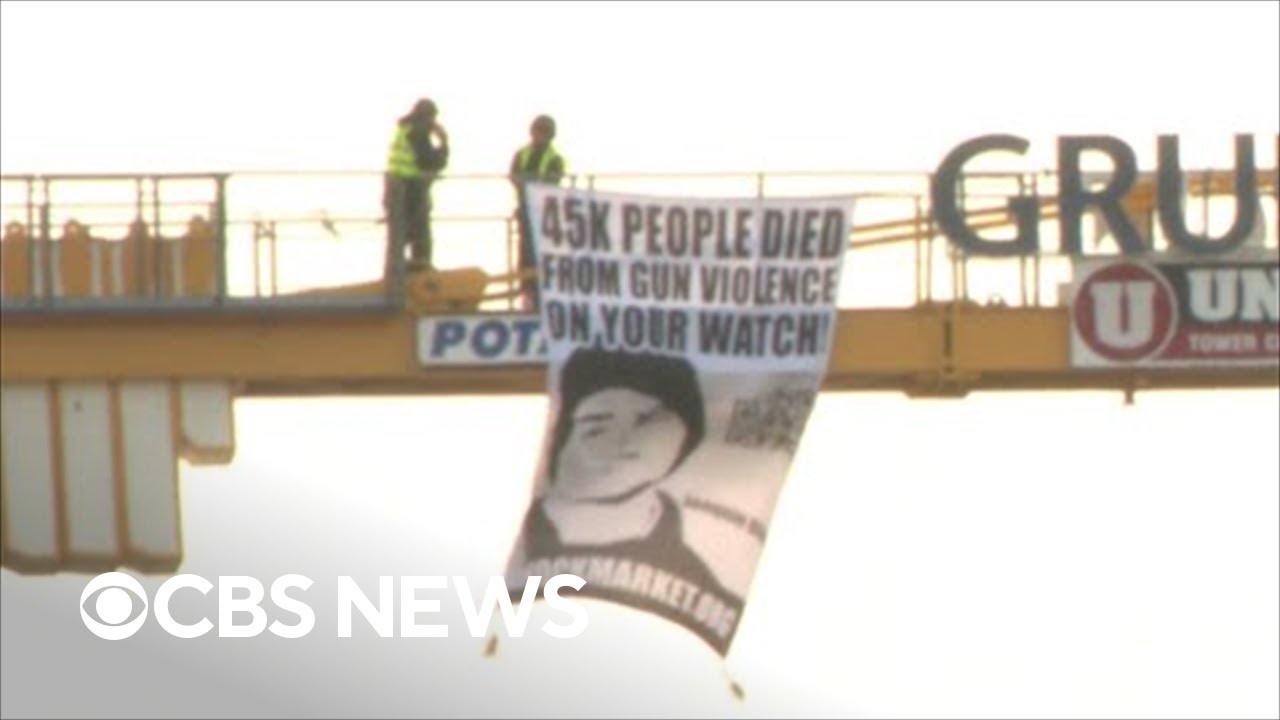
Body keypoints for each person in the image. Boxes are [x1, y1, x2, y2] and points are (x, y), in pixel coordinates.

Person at [516, 346, 732, 599]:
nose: (623, 441)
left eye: (647, 421)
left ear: (685, 438)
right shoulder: (500, 542)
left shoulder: (700, 583)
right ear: (563, 439)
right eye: (597, 426)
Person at [384, 98, 449, 272]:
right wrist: (444, 143)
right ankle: (420, 276)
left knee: (398, 239)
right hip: (411, 191)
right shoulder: (419, 131)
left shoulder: (404, 129)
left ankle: (396, 276)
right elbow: (431, 162)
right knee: (420, 240)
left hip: (395, 189)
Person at [508, 114, 566, 308]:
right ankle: (527, 292)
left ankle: (540, 293)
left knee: (540, 251)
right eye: (537, 131)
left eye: (543, 132)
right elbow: (514, 176)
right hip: (525, 208)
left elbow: (552, 182)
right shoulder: (522, 153)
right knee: (525, 252)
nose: (538, 136)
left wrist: (529, 186)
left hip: (543, 212)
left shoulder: (555, 159)